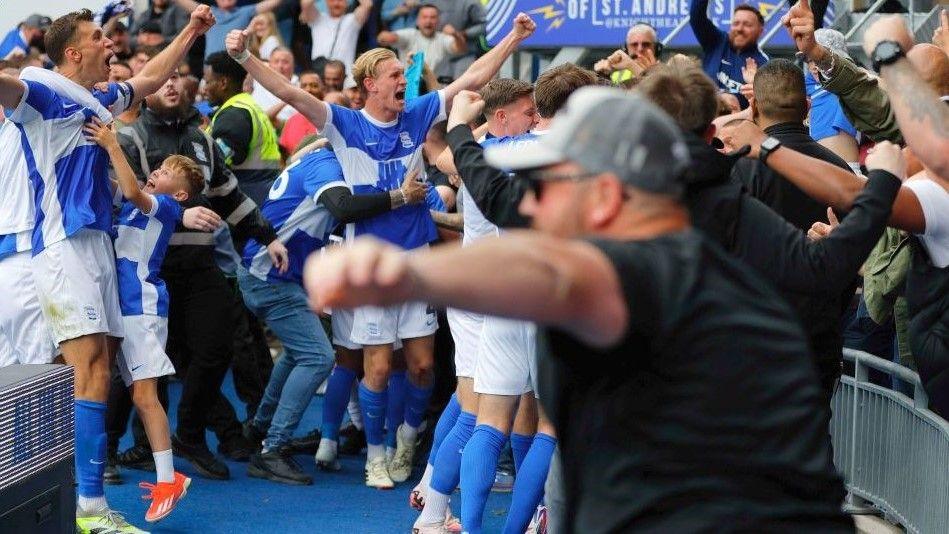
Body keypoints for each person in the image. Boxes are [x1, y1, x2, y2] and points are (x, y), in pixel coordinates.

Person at [305, 86, 852, 533]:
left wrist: (403, 275)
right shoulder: (679, 257)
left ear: (609, 195)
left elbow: (541, 273)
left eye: (549, 183)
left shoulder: (643, 271)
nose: (532, 201)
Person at [225, 11, 537, 489]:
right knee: (374, 367)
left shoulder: (415, 114)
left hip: (415, 259)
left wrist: (513, 37)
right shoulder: (344, 123)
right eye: (394, 74)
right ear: (370, 83)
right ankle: (376, 454)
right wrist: (244, 55)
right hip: (368, 261)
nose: (402, 81)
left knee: (423, 365)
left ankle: (408, 441)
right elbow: (289, 93)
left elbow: (474, 77)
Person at [0, 5, 215, 533]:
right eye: (100, 37)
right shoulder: (41, 89)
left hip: (95, 244)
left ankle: (83, 507)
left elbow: (150, 76)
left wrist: (191, 30)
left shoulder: (101, 97)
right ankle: (89, 511)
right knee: (79, 372)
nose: (111, 43)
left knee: (86, 373)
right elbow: (8, 89)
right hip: (59, 243)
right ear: (74, 52)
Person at [109, 68, 285, 482]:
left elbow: (229, 196)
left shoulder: (203, 140)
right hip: (149, 273)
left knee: (216, 348)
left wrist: (267, 236)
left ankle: (189, 434)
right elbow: (128, 193)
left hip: (200, 267)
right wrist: (180, 212)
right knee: (132, 364)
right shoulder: (131, 138)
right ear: (147, 90)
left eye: (178, 78)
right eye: (162, 79)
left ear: (191, 88)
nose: (170, 84)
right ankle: (114, 449)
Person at [239, 149, 428, 485]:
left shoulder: (315, 157)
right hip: (270, 275)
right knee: (319, 357)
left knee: (301, 352)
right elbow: (343, 207)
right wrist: (400, 196)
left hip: (278, 274)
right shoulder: (325, 164)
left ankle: (260, 427)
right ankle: (273, 447)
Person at [85, 119, 212, 523]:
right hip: (124, 308)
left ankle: (168, 478)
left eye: (166, 172)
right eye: (158, 167)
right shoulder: (142, 207)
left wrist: (110, 144)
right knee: (114, 388)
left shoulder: (166, 207)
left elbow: (133, 189)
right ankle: (153, 475)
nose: (156, 171)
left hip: (142, 307)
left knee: (144, 396)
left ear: (179, 193)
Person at [205, 51, 282, 207]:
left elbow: (214, 163)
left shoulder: (234, 115)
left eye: (208, 82)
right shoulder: (247, 105)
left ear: (223, 83)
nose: (204, 89)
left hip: (246, 201)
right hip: (261, 194)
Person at [689, 0, 767, 107]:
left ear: (761, 31)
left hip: (739, 122)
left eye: (747, 25)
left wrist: (756, 87)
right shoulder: (716, 41)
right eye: (736, 23)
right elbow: (697, 17)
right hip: (705, 118)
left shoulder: (765, 65)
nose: (739, 29)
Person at [175, 0, 283, 59]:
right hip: (210, 69)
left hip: (236, 67)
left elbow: (273, 2)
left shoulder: (245, 12)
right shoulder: (208, 12)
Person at [377, 4, 466, 75]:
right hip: (409, 86)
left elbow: (460, 49)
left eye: (432, 17)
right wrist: (387, 37)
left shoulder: (442, 38)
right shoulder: (410, 34)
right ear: (417, 21)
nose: (428, 21)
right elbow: (384, 38)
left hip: (436, 87)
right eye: (425, 17)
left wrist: (455, 35)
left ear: (438, 20)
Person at [302, 0, 374, 73]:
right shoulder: (317, 18)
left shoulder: (352, 20)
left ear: (347, 2)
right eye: (332, 0)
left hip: (345, 74)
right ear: (326, 2)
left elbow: (368, 4)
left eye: (340, 0)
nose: (336, 3)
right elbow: (306, 3)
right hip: (320, 72)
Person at [424, 0, 486, 80]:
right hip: (439, 55)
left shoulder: (471, 2)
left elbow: (484, 26)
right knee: (436, 87)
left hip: (465, 55)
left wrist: (462, 34)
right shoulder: (430, 2)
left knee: (464, 87)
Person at [251, 46, 299, 126]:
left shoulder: (301, 86)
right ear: (269, 64)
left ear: (293, 66)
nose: (280, 66)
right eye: (276, 61)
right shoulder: (258, 79)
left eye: (285, 62)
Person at [279, 71, 325, 154]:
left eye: (314, 86)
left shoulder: (330, 117)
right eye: (304, 86)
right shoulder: (291, 121)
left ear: (323, 89)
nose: (308, 90)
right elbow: (284, 153)